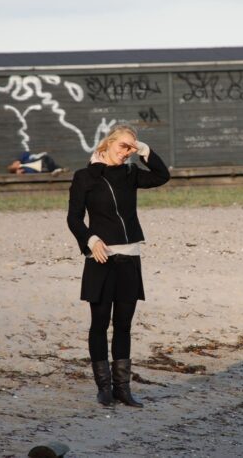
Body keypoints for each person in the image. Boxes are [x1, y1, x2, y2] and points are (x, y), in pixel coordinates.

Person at [66, 124, 170, 408]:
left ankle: (123, 388)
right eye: (124, 146)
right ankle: (104, 389)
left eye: (131, 148)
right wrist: (91, 239)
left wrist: (145, 150)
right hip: (100, 258)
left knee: (123, 325)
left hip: (129, 258)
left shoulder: (130, 173)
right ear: (108, 144)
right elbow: (74, 218)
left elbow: (162, 176)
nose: (127, 153)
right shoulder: (85, 177)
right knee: (99, 324)